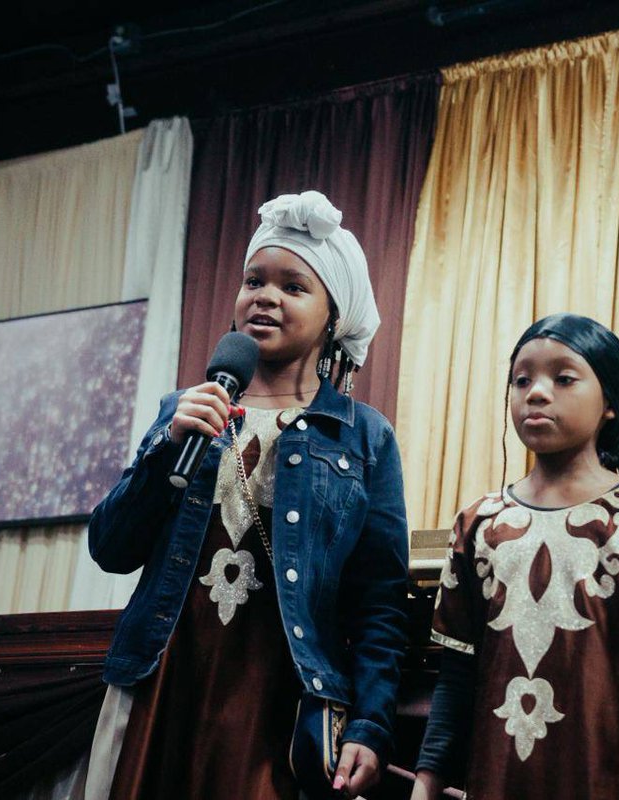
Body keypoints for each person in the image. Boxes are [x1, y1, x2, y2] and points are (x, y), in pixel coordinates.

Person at [84, 190, 410, 799]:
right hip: (165, 679)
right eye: (253, 280)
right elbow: (110, 547)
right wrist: (167, 446)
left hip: (281, 696)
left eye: (293, 287)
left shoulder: (365, 437)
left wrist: (371, 722)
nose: (265, 296)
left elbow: (381, 602)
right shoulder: (184, 410)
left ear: (334, 316)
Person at [410, 313, 619, 800]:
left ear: (611, 402)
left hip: (601, 780)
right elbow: (456, 676)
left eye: (563, 378)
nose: (537, 393)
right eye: (522, 380)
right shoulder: (479, 522)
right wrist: (425, 788)